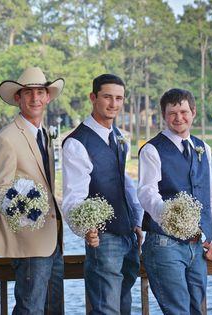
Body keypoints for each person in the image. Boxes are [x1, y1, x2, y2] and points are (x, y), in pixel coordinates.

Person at [62, 74, 144, 315]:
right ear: (93, 97)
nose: (113, 104)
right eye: (107, 97)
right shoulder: (77, 143)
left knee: (124, 306)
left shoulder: (119, 137)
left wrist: (137, 221)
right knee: (106, 309)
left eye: (119, 98)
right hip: (104, 239)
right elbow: (72, 197)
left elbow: (125, 185)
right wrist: (86, 229)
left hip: (129, 235)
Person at [138, 88, 212, 314]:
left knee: (196, 308)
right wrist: (170, 215)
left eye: (184, 112)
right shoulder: (151, 149)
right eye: (172, 113)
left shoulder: (203, 148)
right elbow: (147, 193)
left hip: (197, 245)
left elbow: (210, 195)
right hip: (164, 244)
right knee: (178, 311)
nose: (179, 118)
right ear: (164, 116)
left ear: (193, 112)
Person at [0, 67, 65, 314]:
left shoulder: (45, 135)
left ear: (47, 97)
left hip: (54, 239)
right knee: (30, 308)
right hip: (29, 240)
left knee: (54, 308)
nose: (34, 98)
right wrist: (26, 209)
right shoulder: (6, 138)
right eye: (28, 93)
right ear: (18, 98)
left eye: (40, 92)